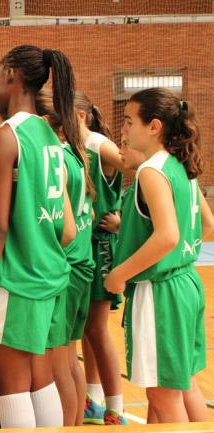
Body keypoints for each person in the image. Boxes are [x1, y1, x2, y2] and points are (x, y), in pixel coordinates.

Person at [0, 45, 77, 429]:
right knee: (40, 380)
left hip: (16, 281)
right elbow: (66, 228)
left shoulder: (7, 136)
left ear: (12, 75)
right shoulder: (48, 132)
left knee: (12, 387)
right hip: (49, 277)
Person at [106, 88, 213, 423]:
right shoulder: (180, 166)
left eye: (128, 121)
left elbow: (167, 235)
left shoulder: (152, 171)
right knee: (183, 385)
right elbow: (207, 225)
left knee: (163, 396)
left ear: (154, 126)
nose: (123, 129)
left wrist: (119, 274)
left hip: (162, 292)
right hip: (187, 283)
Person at [35, 89, 95, 425]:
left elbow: (65, 228)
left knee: (58, 365)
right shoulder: (74, 152)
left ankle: (68, 426)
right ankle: (74, 425)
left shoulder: (54, 157)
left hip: (67, 267)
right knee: (69, 359)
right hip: (81, 265)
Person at [74, 92, 130, 425]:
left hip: (100, 247)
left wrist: (124, 217)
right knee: (86, 329)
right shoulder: (78, 150)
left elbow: (136, 165)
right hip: (83, 246)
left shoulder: (97, 143)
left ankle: (116, 408)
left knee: (97, 329)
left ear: (78, 117)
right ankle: (94, 399)